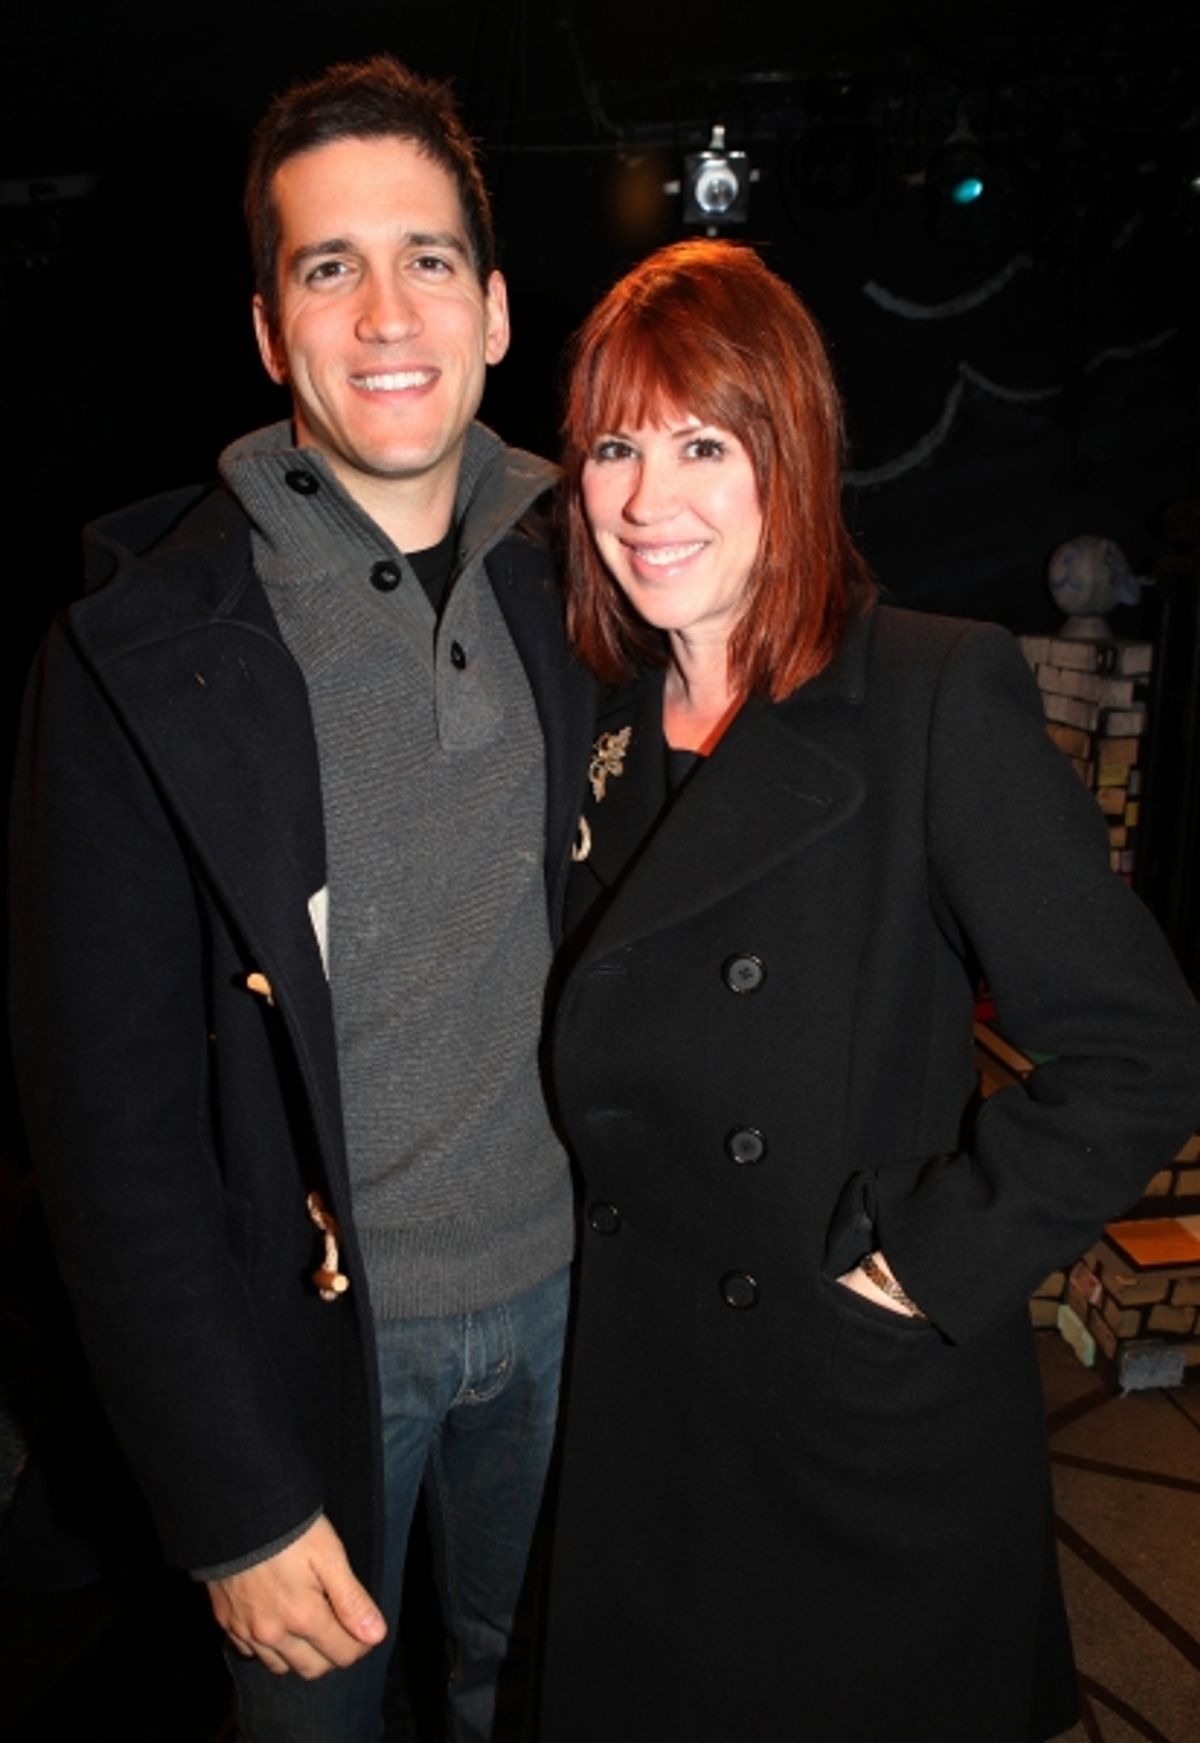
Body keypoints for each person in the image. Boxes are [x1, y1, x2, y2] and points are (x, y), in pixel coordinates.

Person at [535, 239, 1200, 1743]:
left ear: (794, 452)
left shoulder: (924, 691)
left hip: (846, 1419)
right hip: (651, 1406)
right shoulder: (602, 722)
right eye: (616, 448)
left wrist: (920, 1267)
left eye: (704, 443)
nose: (650, 501)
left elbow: (1141, 1048)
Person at [8, 55, 592, 1743]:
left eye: (426, 258)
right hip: (311, 1353)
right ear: (272, 333)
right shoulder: (134, 659)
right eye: (328, 266)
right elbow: (105, 1131)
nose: (384, 307)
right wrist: (231, 1504)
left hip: (573, 1314)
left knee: (536, 1699)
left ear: (491, 310)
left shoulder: (600, 574)